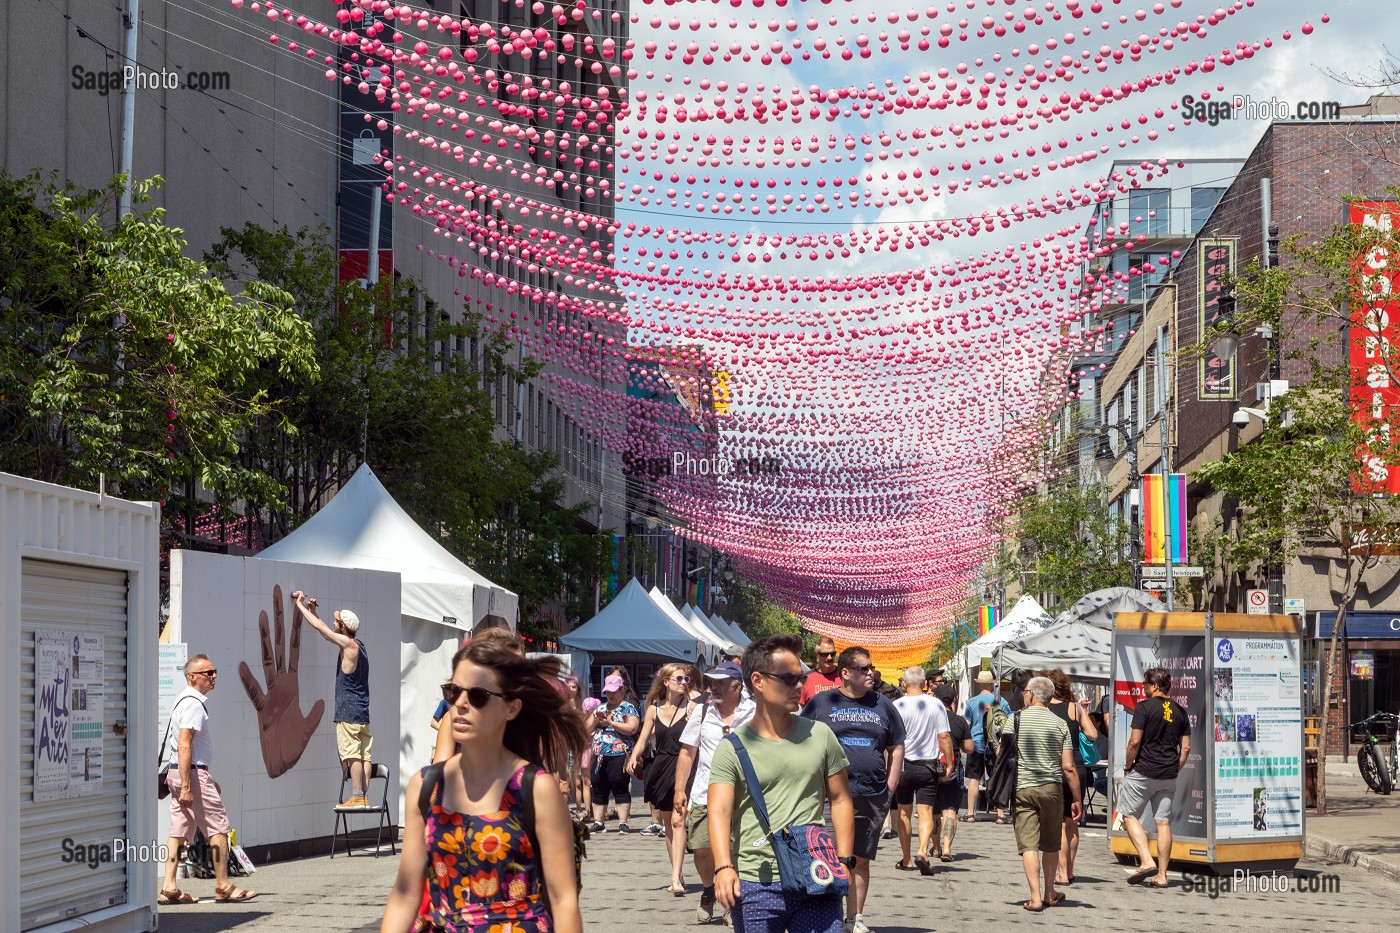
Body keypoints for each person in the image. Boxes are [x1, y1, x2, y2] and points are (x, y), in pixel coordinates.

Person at [380, 640, 588, 933]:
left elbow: (563, 898)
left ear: (512, 708)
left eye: (478, 696)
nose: (461, 704)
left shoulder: (535, 788)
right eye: (453, 692)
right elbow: (405, 893)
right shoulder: (427, 785)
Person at [709, 635, 855, 933]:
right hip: (757, 882)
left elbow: (840, 799)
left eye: (800, 678)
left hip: (817, 874)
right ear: (758, 681)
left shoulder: (821, 735)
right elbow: (719, 811)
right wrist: (724, 867)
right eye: (789, 679)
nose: (799, 686)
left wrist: (845, 859)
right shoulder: (733, 747)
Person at [801, 646, 904, 933]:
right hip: (826, 796)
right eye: (864, 668)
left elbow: (896, 746)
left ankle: (854, 918)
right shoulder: (822, 703)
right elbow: (799, 739)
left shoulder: (883, 705)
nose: (871, 673)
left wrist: (891, 785)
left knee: (859, 859)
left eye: (871, 668)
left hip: (870, 794)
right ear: (845, 673)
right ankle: (826, 917)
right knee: (826, 857)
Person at [159, 654, 257, 904]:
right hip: (190, 772)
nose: (213, 677)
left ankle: (169, 886)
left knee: (179, 830)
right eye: (207, 673)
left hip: (180, 772)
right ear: (192, 677)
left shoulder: (182, 700)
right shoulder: (193, 703)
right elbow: (184, 745)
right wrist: (191, 784)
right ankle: (223, 885)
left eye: (214, 672)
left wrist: (197, 780)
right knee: (219, 828)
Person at [674, 661, 754, 925]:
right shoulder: (703, 710)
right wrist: (679, 790)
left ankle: (730, 901)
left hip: (743, 794)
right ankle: (709, 889)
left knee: (734, 849)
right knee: (701, 847)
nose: (713, 687)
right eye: (711, 682)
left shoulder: (754, 711)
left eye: (719, 683)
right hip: (704, 792)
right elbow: (688, 751)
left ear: (737, 686)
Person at [293, 591, 371, 807]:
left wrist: (299, 606)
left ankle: (357, 795)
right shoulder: (359, 646)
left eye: (337, 621)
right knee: (364, 755)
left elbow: (322, 630)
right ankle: (363, 796)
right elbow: (327, 630)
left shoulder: (348, 645)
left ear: (344, 628)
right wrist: (313, 611)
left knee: (351, 753)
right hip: (362, 710)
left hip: (348, 711)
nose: (334, 622)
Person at [627, 664, 699, 890]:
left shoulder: (693, 706)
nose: (683, 682)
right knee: (669, 823)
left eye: (686, 679)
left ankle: (676, 878)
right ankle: (677, 872)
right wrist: (633, 756)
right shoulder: (653, 709)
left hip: (685, 766)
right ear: (666, 682)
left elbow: (707, 697)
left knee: (679, 820)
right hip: (661, 765)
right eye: (679, 678)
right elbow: (642, 738)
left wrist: (694, 699)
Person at [1012, 675, 1080, 912]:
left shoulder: (1016, 720)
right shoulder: (1060, 724)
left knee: (1029, 844)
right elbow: (1069, 767)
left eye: (1025, 692)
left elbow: (1002, 751)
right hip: (1052, 788)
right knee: (1051, 843)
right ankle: (1050, 891)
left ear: (1031, 694)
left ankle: (1035, 897)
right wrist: (1077, 798)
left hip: (1023, 788)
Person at [1120, 667, 1191, 889]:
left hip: (1143, 771)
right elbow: (1186, 748)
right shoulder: (1180, 711)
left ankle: (1146, 860)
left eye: (1146, 684)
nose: (1143, 687)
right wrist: (1175, 769)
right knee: (1163, 823)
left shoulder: (1143, 707)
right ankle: (1162, 875)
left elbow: (1134, 742)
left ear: (1155, 686)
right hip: (1168, 774)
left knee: (1129, 815)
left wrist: (1127, 766)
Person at [891, 667, 954, 875]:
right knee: (925, 811)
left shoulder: (896, 705)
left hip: (902, 766)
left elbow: (889, 740)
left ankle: (907, 858)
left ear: (904, 684)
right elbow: (944, 736)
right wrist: (950, 763)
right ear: (925, 684)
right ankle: (923, 851)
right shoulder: (935, 704)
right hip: (928, 765)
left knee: (903, 812)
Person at [1043, 669, 1098, 885]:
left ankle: (1062, 873)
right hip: (1078, 767)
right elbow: (1093, 734)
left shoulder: (1044, 708)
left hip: (1055, 766)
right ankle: (1071, 870)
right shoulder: (1075, 709)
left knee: (1059, 825)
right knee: (1073, 821)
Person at [589, 673, 641, 833]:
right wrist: (595, 720)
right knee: (597, 785)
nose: (610, 695)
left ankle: (623, 821)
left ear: (622, 689)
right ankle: (598, 821)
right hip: (599, 754)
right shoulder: (600, 708)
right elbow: (585, 729)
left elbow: (632, 728)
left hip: (619, 753)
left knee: (619, 784)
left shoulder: (628, 708)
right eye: (608, 692)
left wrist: (611, 722)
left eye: (614, 691)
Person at [963, 670, 1011, 824]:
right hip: (996, 744)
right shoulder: (1001, 701)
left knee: (974, 778)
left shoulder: (972, 701)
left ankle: (970, 813)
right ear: (992, 684)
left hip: (976, 743)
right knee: (996, 777)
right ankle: (1000, 814)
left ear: (979, 684)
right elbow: (1008, 722)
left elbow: (967, 724)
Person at [932, 684, 973, 861]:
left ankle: (935, 848)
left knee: (933, 812)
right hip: (953, 770)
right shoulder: (959, 721)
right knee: (949, 810)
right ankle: (947, 848)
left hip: (931, 769)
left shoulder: (930, 719)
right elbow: (969, 748)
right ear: (953, 701)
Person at [797, 636, 841, 706]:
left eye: (832, 654)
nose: (829, 657)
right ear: (817, 655)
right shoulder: (806, 679)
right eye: (825, 654)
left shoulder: (844, 675)